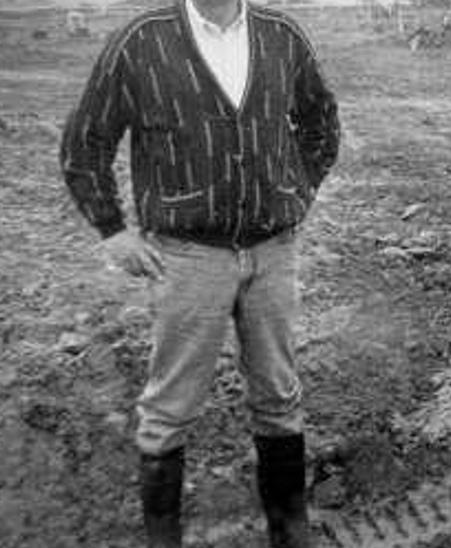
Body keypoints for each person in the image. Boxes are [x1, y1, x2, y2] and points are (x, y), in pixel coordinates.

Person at [60, 0, 340, 545]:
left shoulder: (281, 35)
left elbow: (320, 118)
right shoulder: (141, 41)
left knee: (280, 397)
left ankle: (290, 532)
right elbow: (86, 139)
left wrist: (298, 192)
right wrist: (112, 229)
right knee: (170, 406)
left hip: (272, 251)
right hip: (187, 256)